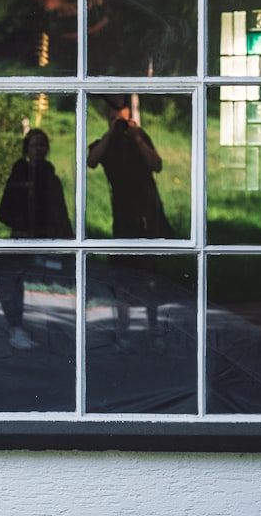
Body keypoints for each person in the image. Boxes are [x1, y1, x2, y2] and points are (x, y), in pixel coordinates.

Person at [87, 95, 173, 351]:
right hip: (122, 219)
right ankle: (123, 334)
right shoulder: (106, 142)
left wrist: (136, 137)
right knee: (122, 280)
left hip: (146, 215)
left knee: (150, 279)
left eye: (122, 117)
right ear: (107, 118)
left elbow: (156, 164)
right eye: (114, 118)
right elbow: (91, 161)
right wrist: (111, 134)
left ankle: (154, 331)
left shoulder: (139, 138)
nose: (119, 123)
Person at [0, 129, 74, 350]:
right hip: (22, 238)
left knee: (46, 280)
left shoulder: (51, 178)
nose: (38, 149)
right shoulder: (19, 175)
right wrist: (21, 224)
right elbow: (4, 211)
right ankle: (16, 327)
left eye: (42, 145)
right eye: (34, 145)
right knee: (14, 281)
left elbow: (60, 211)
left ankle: (47, 330)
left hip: (45, 239)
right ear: (26, 149)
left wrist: (67, 240)